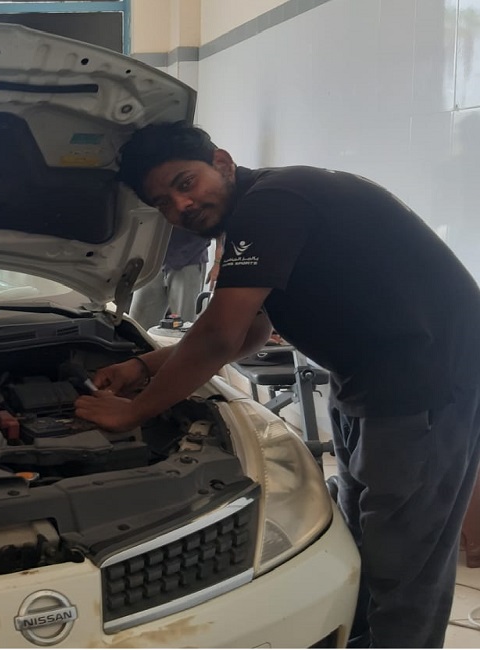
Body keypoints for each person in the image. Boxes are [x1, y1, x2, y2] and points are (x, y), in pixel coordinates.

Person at [74, 121, 480, 648]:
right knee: (363, 537)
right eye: (163, 203)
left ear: (222, 162)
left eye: (185, 183)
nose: (180, 206)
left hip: (426, 385)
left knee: (405, 564)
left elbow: (220, 335)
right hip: (365, 380)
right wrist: (142, 367)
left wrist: (134, 411)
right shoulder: (253, 214)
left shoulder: (274, 201)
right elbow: (252, 331)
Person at [129, 228, 211, 326]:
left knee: (183, 326)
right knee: (136, 325)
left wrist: (218, 259)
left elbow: (221, 221)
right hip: (152, 258)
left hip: (190, 257)